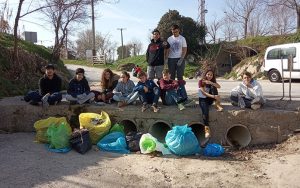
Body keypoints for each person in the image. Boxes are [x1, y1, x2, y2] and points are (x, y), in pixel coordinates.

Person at [198, 69, 223, 139]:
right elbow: (203, 93)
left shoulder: (212, 81)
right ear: (205, 74)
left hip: (210, 99)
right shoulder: (201, 81)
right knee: (205, 111)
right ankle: (207, 129)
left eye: (211, 75)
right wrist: (214, 96)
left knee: (214, 86)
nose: (209, 76)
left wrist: (211, 83)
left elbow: (219, 86)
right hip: (203, 99)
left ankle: (217, 104)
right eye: (208, 74)